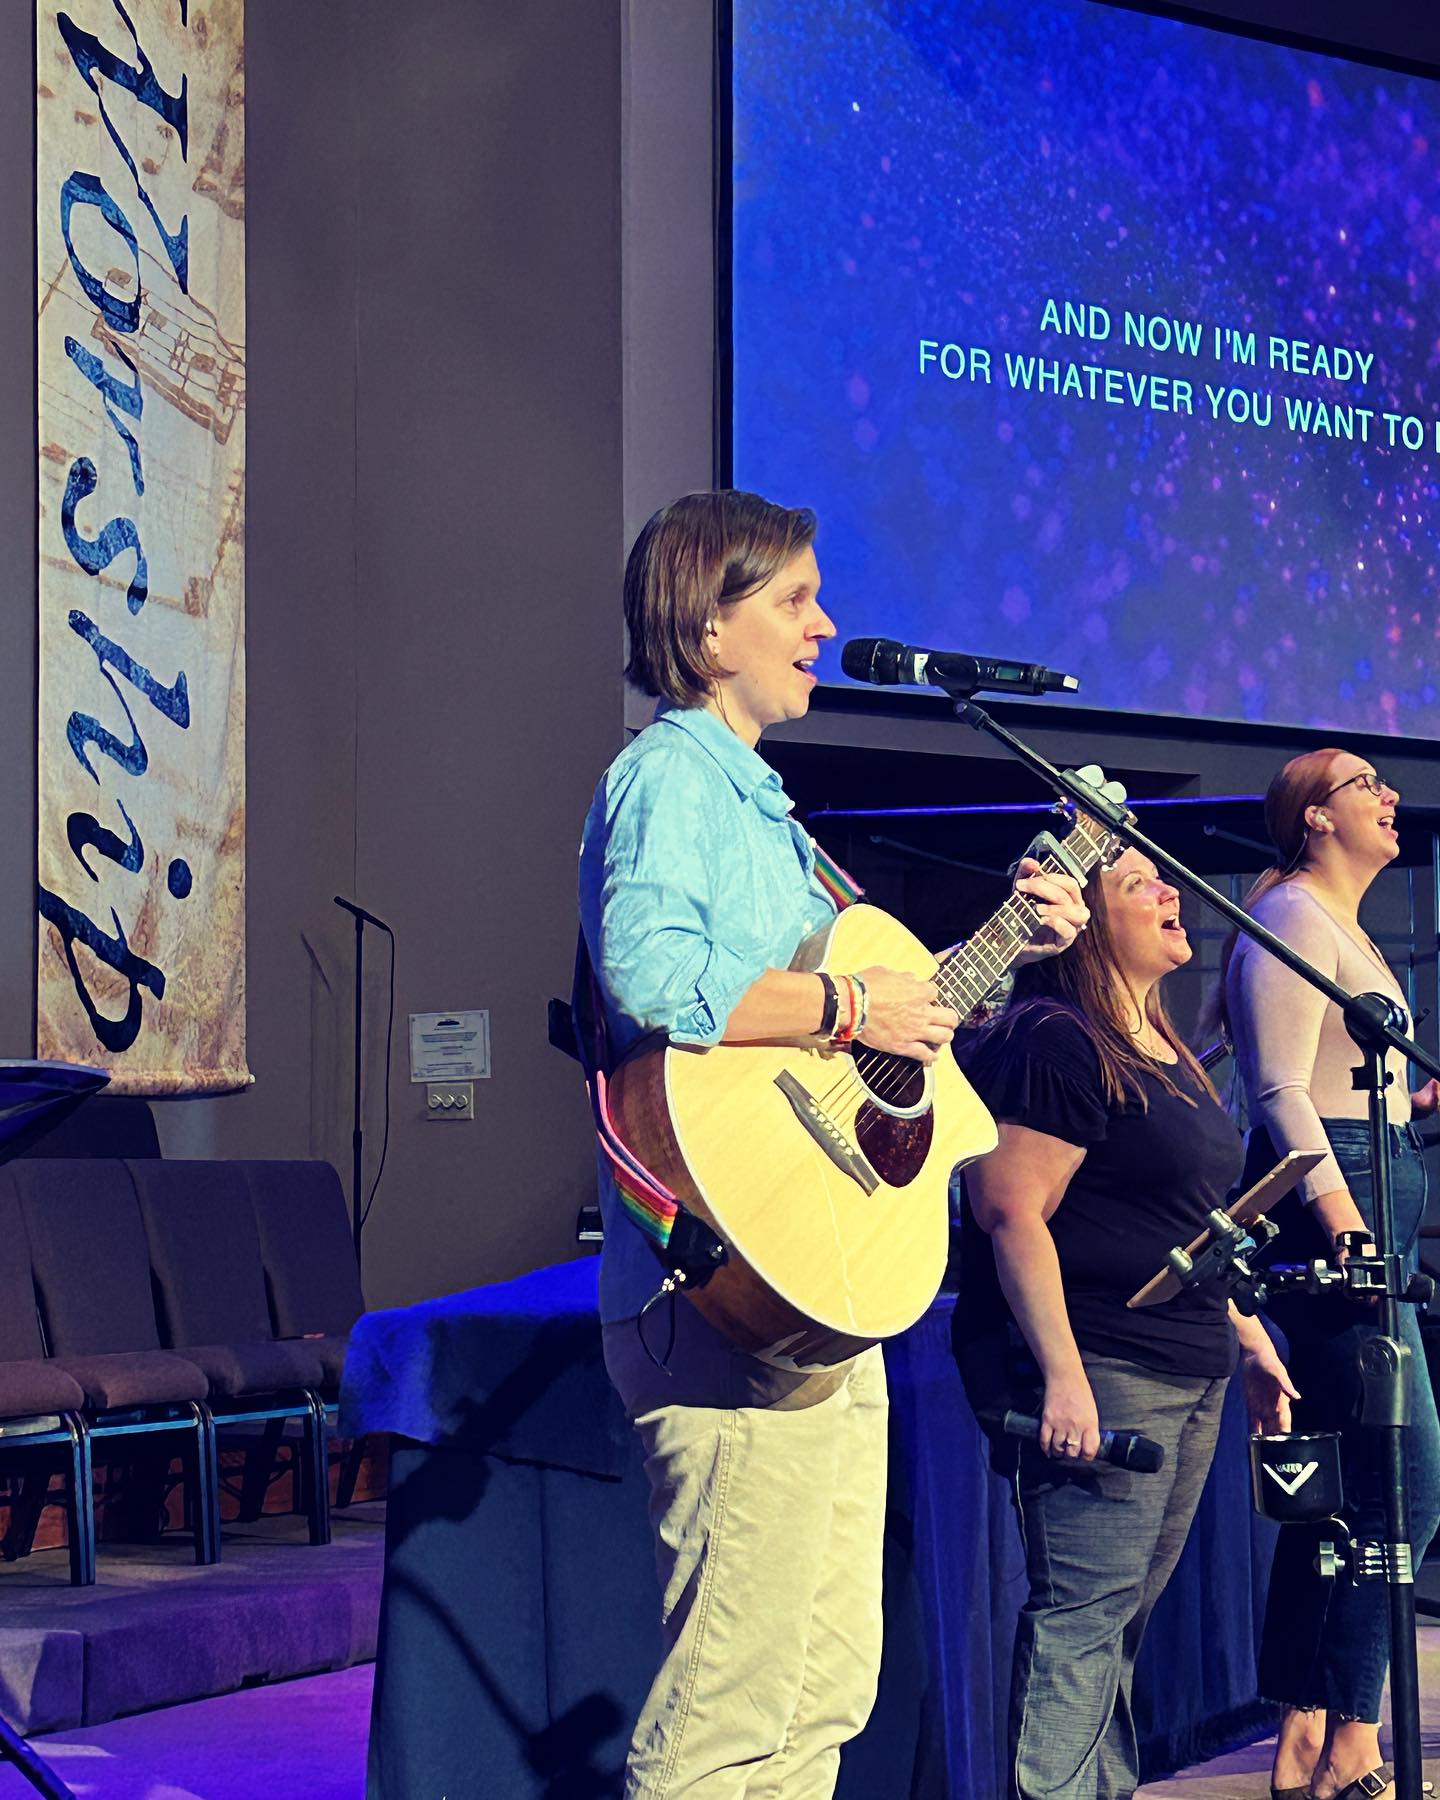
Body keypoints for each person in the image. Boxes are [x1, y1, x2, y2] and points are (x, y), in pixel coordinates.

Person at [578, 488, 1089, 1799]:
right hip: (725, 1286)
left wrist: (995, 957)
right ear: (707, 629)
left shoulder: (767, 815)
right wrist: (857, 1002)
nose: (828, 624)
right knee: (727, 1713)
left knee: (821, 1689)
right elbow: (646, 975)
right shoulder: (666, 778)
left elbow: (869, 1049)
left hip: (820, 1295)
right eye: (796, 601)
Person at [954, 846, 1297, 1800]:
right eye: (1137, 881)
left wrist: (1252, 1338)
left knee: (1123, 1622)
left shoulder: (1161, 1041)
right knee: (1083, 1617)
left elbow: (1193, 1220)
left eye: (1165, 878)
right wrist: (1062, 1377)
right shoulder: (1054, 1037)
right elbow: (1009, 1209)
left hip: (1189, 1365)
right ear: (1088, 922)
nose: (1169, 892)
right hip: (1106, 1363)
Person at [1223, 748, 1440, 1800]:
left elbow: (1340, 1077)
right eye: (1363, 784)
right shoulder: (1296, 918)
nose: (1388, 796)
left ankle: (1309, 1727)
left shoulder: (1337, 925)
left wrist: (1415, 1112)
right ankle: (1351, 1727)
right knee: (1405, 1476)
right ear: (1314, 818)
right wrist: (1345, 1217)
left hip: (1370, 1181)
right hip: (1338, 1204)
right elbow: (1276, 1086)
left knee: (1350, 1482)